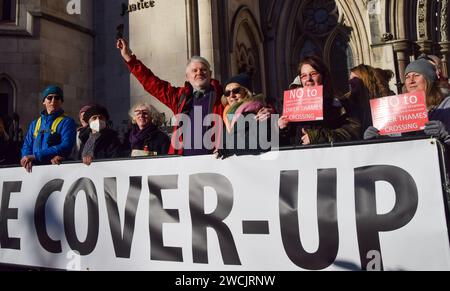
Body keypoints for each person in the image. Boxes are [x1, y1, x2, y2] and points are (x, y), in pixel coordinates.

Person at [116, 38, 272, 156]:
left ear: (210, 74)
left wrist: (267, 111)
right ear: (187, 76)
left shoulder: (222, 97)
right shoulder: (179, 97)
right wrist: (130, 58)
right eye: (194, 70)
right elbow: (152, 83)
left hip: (215, 161)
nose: (199, 73)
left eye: (203, 70)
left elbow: (249, 104)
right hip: (183, 164)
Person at [364, 56, 450, 143]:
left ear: (429, 80)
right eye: (407, 77)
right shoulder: (396, 109)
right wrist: (377, 138)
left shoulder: (446, 105)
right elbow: (395, 143)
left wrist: (446, 135)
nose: (411, 80)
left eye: (416, 75)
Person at [278, 55, 361, 146]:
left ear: (323, 76)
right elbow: (277, 144)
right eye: (304, 76)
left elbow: (353, 132)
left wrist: (319, 137)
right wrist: (281, 128)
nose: (308, 79)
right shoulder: (292, 104)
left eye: (313, 74)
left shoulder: (340, 102)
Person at [20, 86, 76, 172]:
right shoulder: (35, 123)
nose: (53, 101)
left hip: (55, 168)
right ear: (44, 101)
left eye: (57, 98)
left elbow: (66, 145)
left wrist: (35, 156)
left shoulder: (67, 122)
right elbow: (27, 145)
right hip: (34, 169)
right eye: (49, 97)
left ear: (61, 102)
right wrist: (26, 158)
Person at [216, 73, 269, 158]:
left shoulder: (258, 112)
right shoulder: (228, 116)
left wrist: (227, 149)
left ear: (246, 92)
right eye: (227, 92)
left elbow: (258, 144)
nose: (231, 95)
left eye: (236, 91)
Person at [342, 64, 395, 135]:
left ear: (366, 80)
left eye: (354, 79)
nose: (350, 82)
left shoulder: (386, 100)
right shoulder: (347, 101)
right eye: (350, 79)